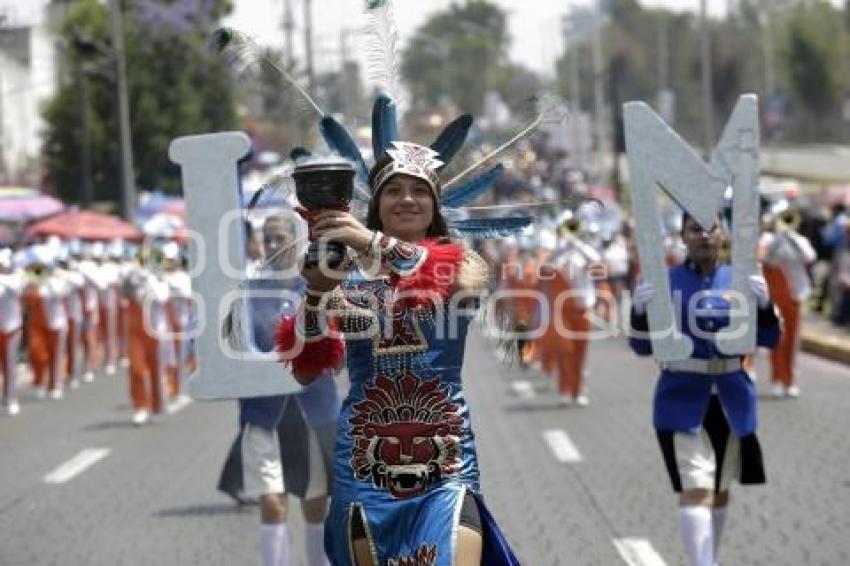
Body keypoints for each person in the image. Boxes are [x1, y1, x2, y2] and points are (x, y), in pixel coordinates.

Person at [276, 142, 518, 566]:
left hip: (445, 456)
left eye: (419, 190)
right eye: (394, 190)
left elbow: (456, 283)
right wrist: (315, 292)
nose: (407, 199)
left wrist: (369, 241)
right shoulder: (345, 277)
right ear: (378, 204)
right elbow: (305, 365)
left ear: (435, 204)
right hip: (365, 459)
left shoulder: (465, 260)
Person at [629, 212, 780, 566]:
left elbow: (770, 339)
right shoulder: (666, 282)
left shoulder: (741, 280)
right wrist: (638, 314)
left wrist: (765, 306)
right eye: (695, 229)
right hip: (682, 399)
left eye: (711, 228)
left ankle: (709, 558)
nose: (704, 236)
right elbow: (641, 347)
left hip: (732, 398)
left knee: (719, 490)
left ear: (723, 234)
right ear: (682, 236)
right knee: (696, 489)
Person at [219, 211, 338, 566]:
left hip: (313, 409)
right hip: (263, 411)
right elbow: (229, 343)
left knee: (315, 503)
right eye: (267, 238)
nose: (271, 245)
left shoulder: (320, 286)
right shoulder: (247, 289)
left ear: (299, 240)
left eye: (280, 237)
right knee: (272, 502)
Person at [759, 207, 816, 397]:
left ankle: (790, 380)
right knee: (778, 338)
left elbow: (809, 257)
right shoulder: (773, 242)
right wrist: (779, 240)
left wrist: (792, 238)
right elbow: (769, 261)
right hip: (777, 296)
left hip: (795, 295)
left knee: (792, 340)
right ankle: (777, 378)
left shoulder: (801, 241)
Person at [0, 247, 23, 415]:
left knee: (10, 365)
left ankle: (11, 398)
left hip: (12, 328)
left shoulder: (17, 278)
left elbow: (16, 288)